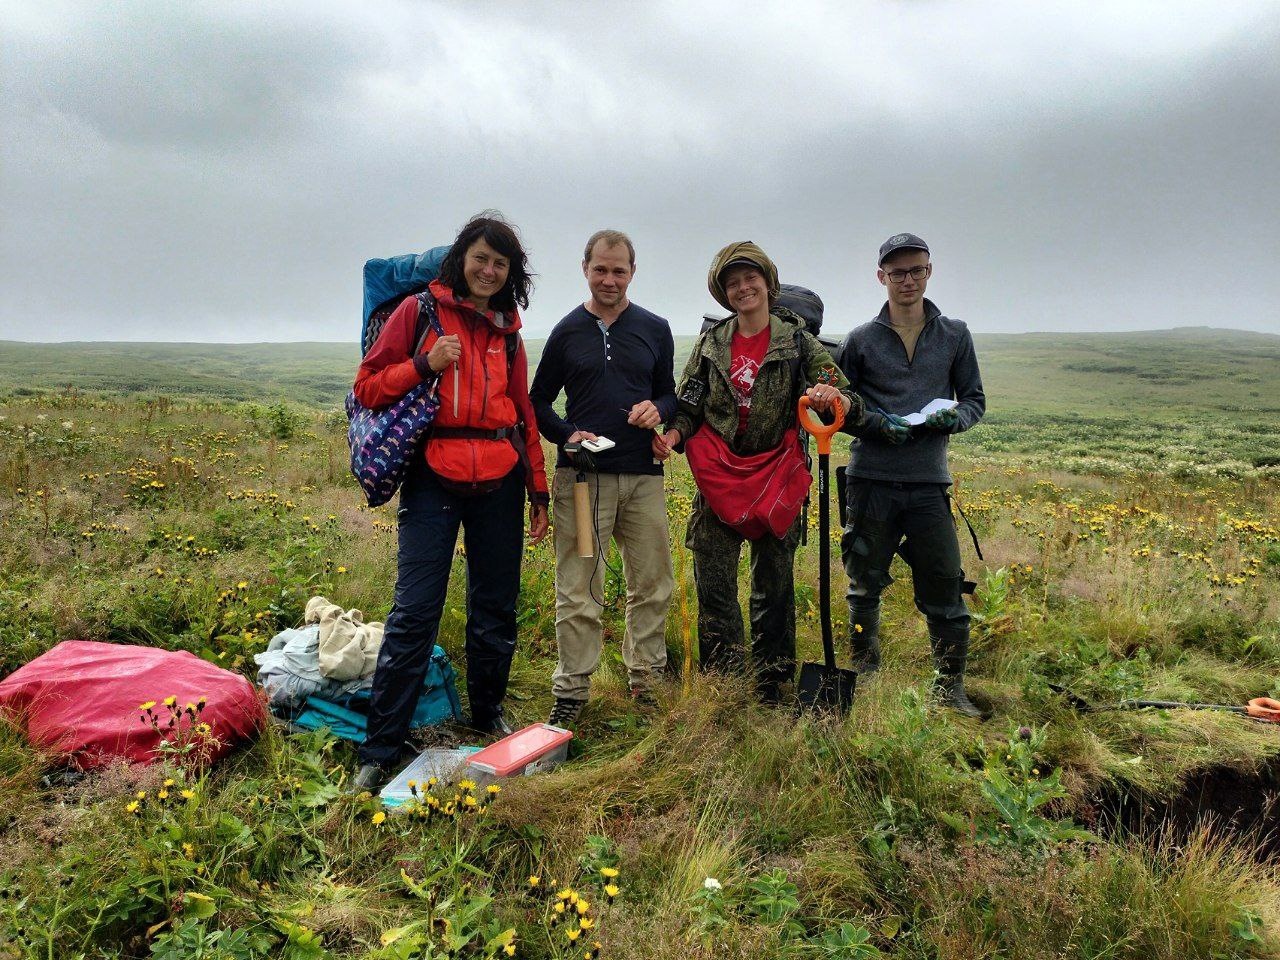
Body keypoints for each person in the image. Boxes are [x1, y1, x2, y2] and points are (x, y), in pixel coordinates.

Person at [350, 214, 550, 789]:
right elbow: (367, 386)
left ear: (511, 274)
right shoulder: (420, 313)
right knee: (415, 610)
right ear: (462, 257)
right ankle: (380, 747)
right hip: (433, 476)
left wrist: (539, 490)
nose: (488, 270)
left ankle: (486, 715)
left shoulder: (508, 330)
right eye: (481, 258)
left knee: (496, 606)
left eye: (500, 264)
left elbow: (523, 414)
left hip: (500, 478)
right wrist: (423, 364)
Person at [657, 241, 860, 703]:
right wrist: (672, 435)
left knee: (774, 585)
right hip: (719, 478)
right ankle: (725, 679)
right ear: (724, 293)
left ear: (768, 283)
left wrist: (835, 400)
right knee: (715, 583)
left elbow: (848, 400)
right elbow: (688, 406)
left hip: (777, 477)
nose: (742, 288)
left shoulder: (799, 343)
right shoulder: (712, 343)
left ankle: (772, 681)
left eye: (750, 279)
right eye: (732, 283)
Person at [529, 230, 677, 728]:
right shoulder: (567, 331)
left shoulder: (655, 329)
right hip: (585, 483)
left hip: (643, 480)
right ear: (585, 269)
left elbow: (670, 396)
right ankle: (571, 691)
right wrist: (568, 435)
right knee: (580, 587)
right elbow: (538, 403)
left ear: (632, 272)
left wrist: (656, 409)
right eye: (601, 269)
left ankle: (647, 683)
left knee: (652, 583)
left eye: (619, 270)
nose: (609, 279)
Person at [835, 232, 986, 717]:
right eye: (897, 272)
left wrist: (954, 419)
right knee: (864, 584)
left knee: (945, 585)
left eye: (916, 270)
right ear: (881, 277)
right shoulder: (859, 340)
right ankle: (866, 671)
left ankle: (950, 689)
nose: (907, 280)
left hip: (928, 483)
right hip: (871, 478)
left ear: (929, 271)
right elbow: (840, 405)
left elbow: (975, 401)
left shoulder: (955, 335)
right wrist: (877, 424)